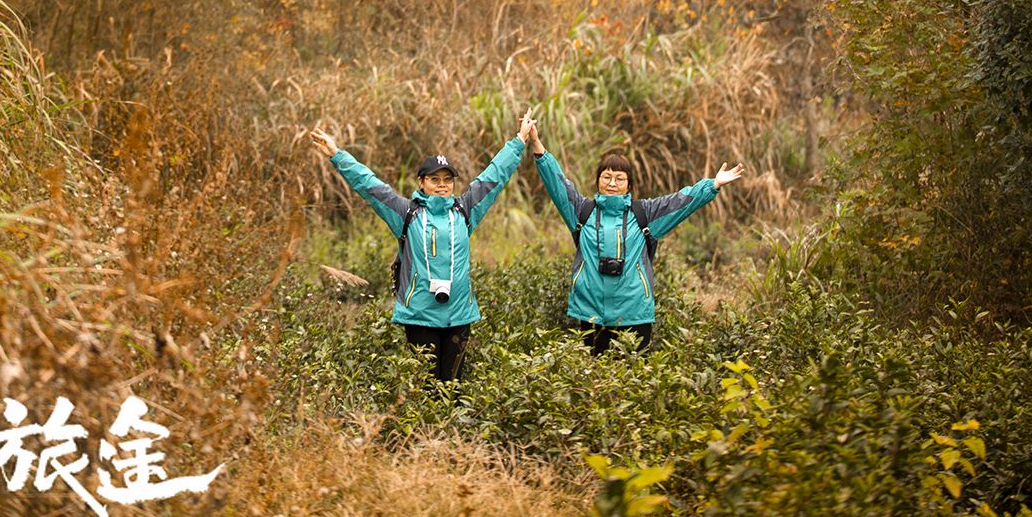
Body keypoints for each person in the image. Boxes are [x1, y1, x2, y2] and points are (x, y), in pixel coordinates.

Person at [309, 114, 534, 381]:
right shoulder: (406, 213)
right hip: (420, 314)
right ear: (421, 182)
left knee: (453, 389)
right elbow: (370, 186)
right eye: (434, 179)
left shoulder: (465, 210)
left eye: (447, 180)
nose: (442, 185)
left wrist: (520, 140)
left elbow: (493, 175)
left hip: (459, 315)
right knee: (425, 390)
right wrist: (337, 154)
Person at [525, 123, 743, 354]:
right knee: (592, 381)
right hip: (590, 312)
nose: (611, 183)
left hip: (634, 312)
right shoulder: (581, 211)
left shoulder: (645, 215)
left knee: (632, 378)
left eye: (619, 179)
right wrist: (537, 145)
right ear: (598, 180)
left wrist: (713, 184)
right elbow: (557, 184)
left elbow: (680, 202)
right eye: (606, 177)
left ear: (629, 185)